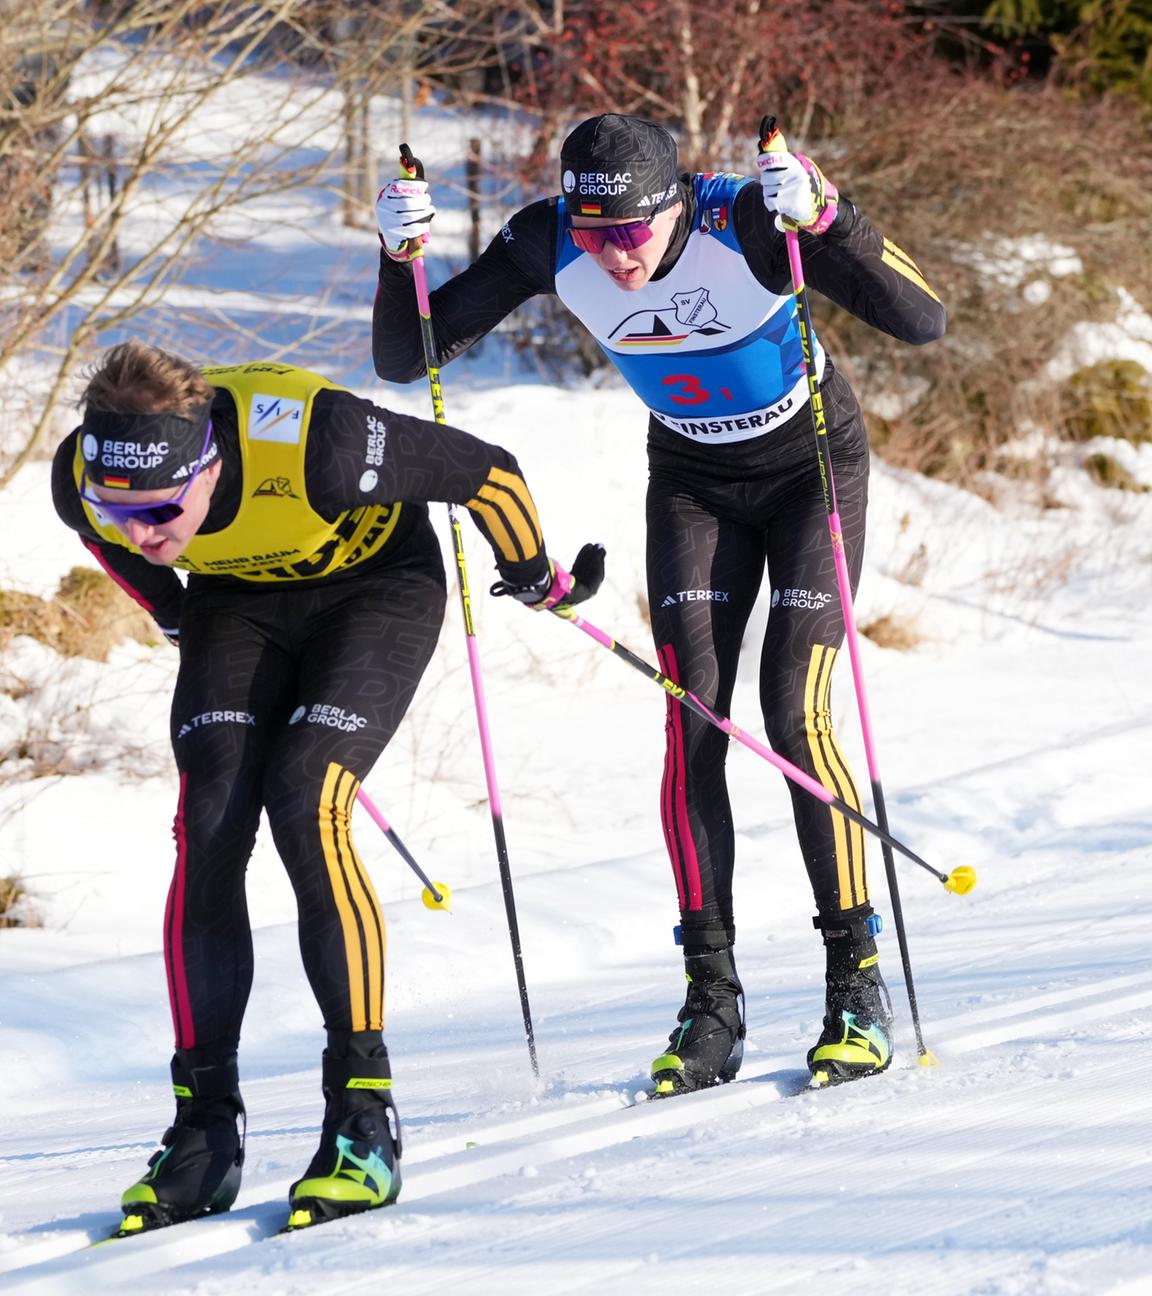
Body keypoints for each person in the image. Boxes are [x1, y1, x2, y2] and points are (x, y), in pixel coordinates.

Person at [372, 114, 946, 1095]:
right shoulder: (546, 240)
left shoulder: (745, 220)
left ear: (675, 205)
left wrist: (830, 218)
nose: (613, 255)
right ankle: (710, 1000)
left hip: (809, 468)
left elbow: (922, 318)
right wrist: (398, 259)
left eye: (631, 231)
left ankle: (855, 982)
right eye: (593, 234)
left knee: (795, 715)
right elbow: (409, 356)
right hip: (691, 483)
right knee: (693, 723)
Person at [51, 341, 603, 1234]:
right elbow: (103, 536)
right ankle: (203, 1129)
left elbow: (490, 475)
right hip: (235, 599)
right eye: (122, 510)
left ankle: (361, 1117)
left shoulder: (323, 446)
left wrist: (534, 573)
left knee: (307, 800)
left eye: (159, 509)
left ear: (210, 464)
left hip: (377, 590)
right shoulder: (87, 478)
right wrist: (174, 606)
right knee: (208, 820)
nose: (142, 531)